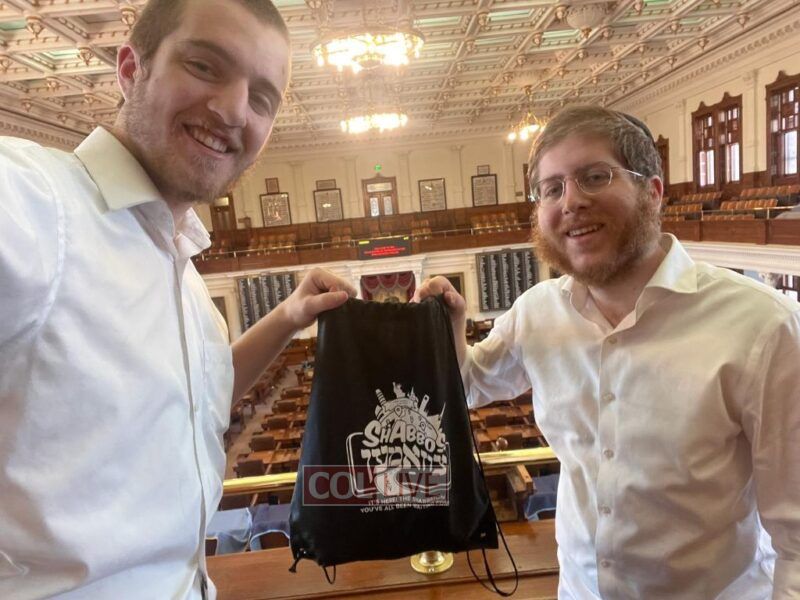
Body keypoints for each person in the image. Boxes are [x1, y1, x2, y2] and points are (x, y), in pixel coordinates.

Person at [0, 0, 355, 598]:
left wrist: (288, 316)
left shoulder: (185, 276)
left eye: (261, 98)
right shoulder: (35, 202)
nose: (234, 109)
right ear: (130, 69)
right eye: (205, 66)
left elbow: (197, 398)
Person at [414, 105, 800, 598]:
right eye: (551, 188)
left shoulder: (764, 325)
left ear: (653, 192)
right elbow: (467, 386)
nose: (571, 201)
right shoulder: (536, 312)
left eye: (595, 177)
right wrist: (451, 328)